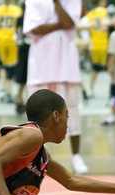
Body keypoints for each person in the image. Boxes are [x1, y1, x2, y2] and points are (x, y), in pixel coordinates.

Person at [24, 0, 88, 175]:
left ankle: (76, 156)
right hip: (41, 62)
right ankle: (35, 157)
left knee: (71, 109)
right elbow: (35, 28)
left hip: (66, 62)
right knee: (37, 113)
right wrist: (60, 25)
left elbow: (68, 22)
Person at [0, 0, 23, 103]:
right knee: (10, 67)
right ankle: (8, 91)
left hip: (0, 40)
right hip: (11, 40)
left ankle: (3, 89)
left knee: (3, 65)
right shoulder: (17, 10)